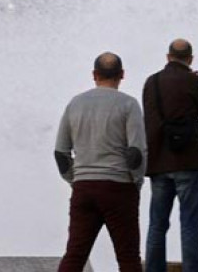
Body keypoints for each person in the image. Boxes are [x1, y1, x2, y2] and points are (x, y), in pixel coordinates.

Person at [54, 52, 147, 272]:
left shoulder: (75, 104)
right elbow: (136, 153)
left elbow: (61, 153)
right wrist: (136, 183)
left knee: (75, 254)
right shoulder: (129, 104)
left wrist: (76, 180)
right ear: (122, 75)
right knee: (128, 257)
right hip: (120, 187)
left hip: (84, 187)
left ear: (94, 74)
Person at [143, 39, 198, 272]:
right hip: (188, 161)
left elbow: (151, 120)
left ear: (168, 57)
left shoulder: (151, 82)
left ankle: (154, 269)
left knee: (157, 224)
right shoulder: (192, 81)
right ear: (190, 59)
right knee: (190, 223)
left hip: (159, 162)